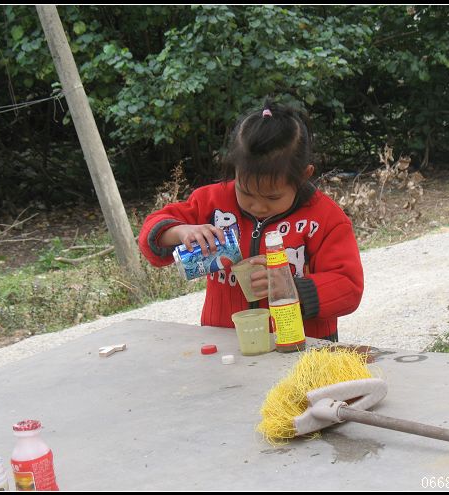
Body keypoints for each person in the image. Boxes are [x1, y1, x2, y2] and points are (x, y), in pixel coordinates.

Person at [138, 100, 363, 341]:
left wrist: (292, 287)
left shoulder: (324, 218)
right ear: (234, 169)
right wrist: (181, 231)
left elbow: (349, 287)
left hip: (304, 346)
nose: (257, 206)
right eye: (245, 192)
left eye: (272, 197)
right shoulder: (211, 202)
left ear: (303, 176)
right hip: (227, 342)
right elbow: (150, 235)